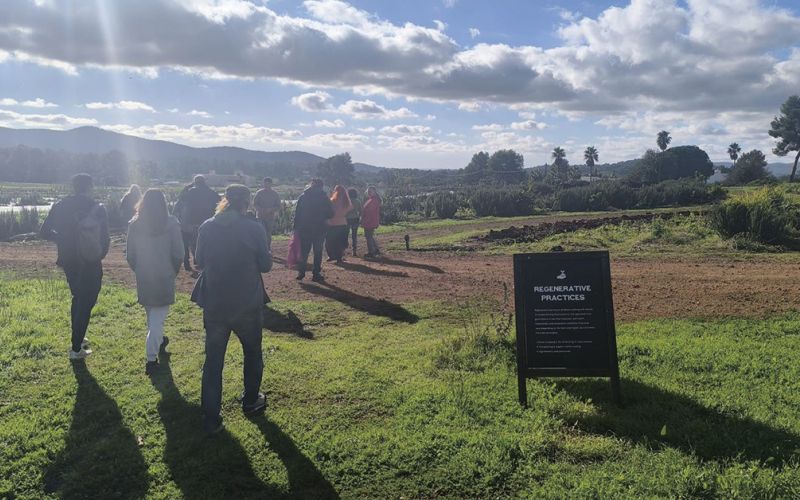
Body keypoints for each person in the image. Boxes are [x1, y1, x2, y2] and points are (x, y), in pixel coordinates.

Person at [192, 185, 272, 433]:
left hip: (215, 303)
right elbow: (266, 265)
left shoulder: (207, 226)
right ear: (246, 203)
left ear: (225, 201)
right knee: (252, 353)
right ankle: (250, 401)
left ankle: (210, 418)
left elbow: (199, 261)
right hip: (247, 302)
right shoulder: (254, 228)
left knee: (213, 362)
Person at [39, 173, 110, 359]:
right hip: (90, 261)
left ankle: (78, 336)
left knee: (78, 297)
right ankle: (76, 348)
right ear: (89, 187)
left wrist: (61, 238)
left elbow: (44, 232)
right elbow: (105, 238)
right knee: (87, 300)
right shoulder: (97, 208)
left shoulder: (60, 205)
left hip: (68, 259)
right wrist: (98, 254)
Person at [126, 189, 184, 375]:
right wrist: (172, 270)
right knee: (157, 320)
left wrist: (141, 269)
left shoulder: (134, 225)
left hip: (144, 275)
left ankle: (159, 341)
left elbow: (130, 255)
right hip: (165, 274)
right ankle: (151, 359)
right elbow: (179, 253)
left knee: (152, 316)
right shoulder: (172, 223)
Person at [293, 178, 333, 282]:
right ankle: (316, 273)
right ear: (321, 186)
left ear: (311, 185)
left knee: (304, 251)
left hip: (305, 228)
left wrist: (296, 228)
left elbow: (297, 214)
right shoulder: (324, 198)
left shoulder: (303, 197)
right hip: (319, 229)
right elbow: (331, 213)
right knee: (318, 251)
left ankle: (301, 272)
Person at [182, 175, 220, 270]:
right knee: (208, 241)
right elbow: (219, 201)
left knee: (195, 242)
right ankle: (205, 260)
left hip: (194, 221)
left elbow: (182, 198)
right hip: (209, 220)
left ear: (195, 183)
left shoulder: (191, 192)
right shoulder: (211, 192)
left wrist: (188, 186)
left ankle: (198, 259)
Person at [253, 177, 282, 252]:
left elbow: (278, 206)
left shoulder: (275, 194)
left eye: (268, 183)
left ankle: (267, 249)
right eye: (265, 183)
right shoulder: (259, 193)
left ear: (271, 184)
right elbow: (255, 204)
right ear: (263, 183)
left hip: (270, 217)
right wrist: (260, 209)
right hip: (260, 216)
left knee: (268, 234)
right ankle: (260, 248)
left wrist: (271, 209)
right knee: (261, 232)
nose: (266, 185)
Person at [172, 183, 196, 273]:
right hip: (190, 226)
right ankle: (193, 261)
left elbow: (174, 214)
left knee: (186, 246)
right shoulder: (193, 201)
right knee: (192, 245)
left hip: (184, 226)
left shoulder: (180, 202)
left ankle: (187, 263)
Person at [325, 185, 352, 263]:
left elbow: (328, 211)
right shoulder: (346, 201)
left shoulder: (332, 201)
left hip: (332, 224)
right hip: (343, 224)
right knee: (340, 242)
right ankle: (339, 257)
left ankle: (331, 256)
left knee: (329, 241)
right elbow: (349, 210)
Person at [362, 186, 382, 258]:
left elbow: (369, 213)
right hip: (371, 221)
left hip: (369, 221)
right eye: (368, 191)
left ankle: (371, 252)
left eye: (371, 191)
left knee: (368, 236)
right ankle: (375, 250)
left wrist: (364, 221)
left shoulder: (373, 200)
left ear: (374, 192)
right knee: (370, 236)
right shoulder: (372, 200)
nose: (369, 193)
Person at [346, 188, 361, 257]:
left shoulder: (347, 201)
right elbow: (360, 211)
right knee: (354, 236)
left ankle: (343, 250)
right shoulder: (358, 201)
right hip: (355, 219)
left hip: (347, 219)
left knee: (345, 235)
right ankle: (354, 251)